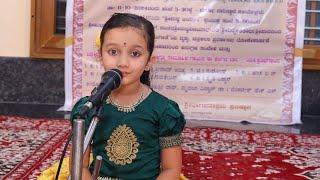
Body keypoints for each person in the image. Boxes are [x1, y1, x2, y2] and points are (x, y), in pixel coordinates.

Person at [70, 13, 186, 180]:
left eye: (135, 54)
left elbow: (171, 170)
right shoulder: (88, 108)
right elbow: (79, 168)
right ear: (100, 56)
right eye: (113, 51)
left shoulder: (165, 111)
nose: (122, 62)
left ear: (149, 62)